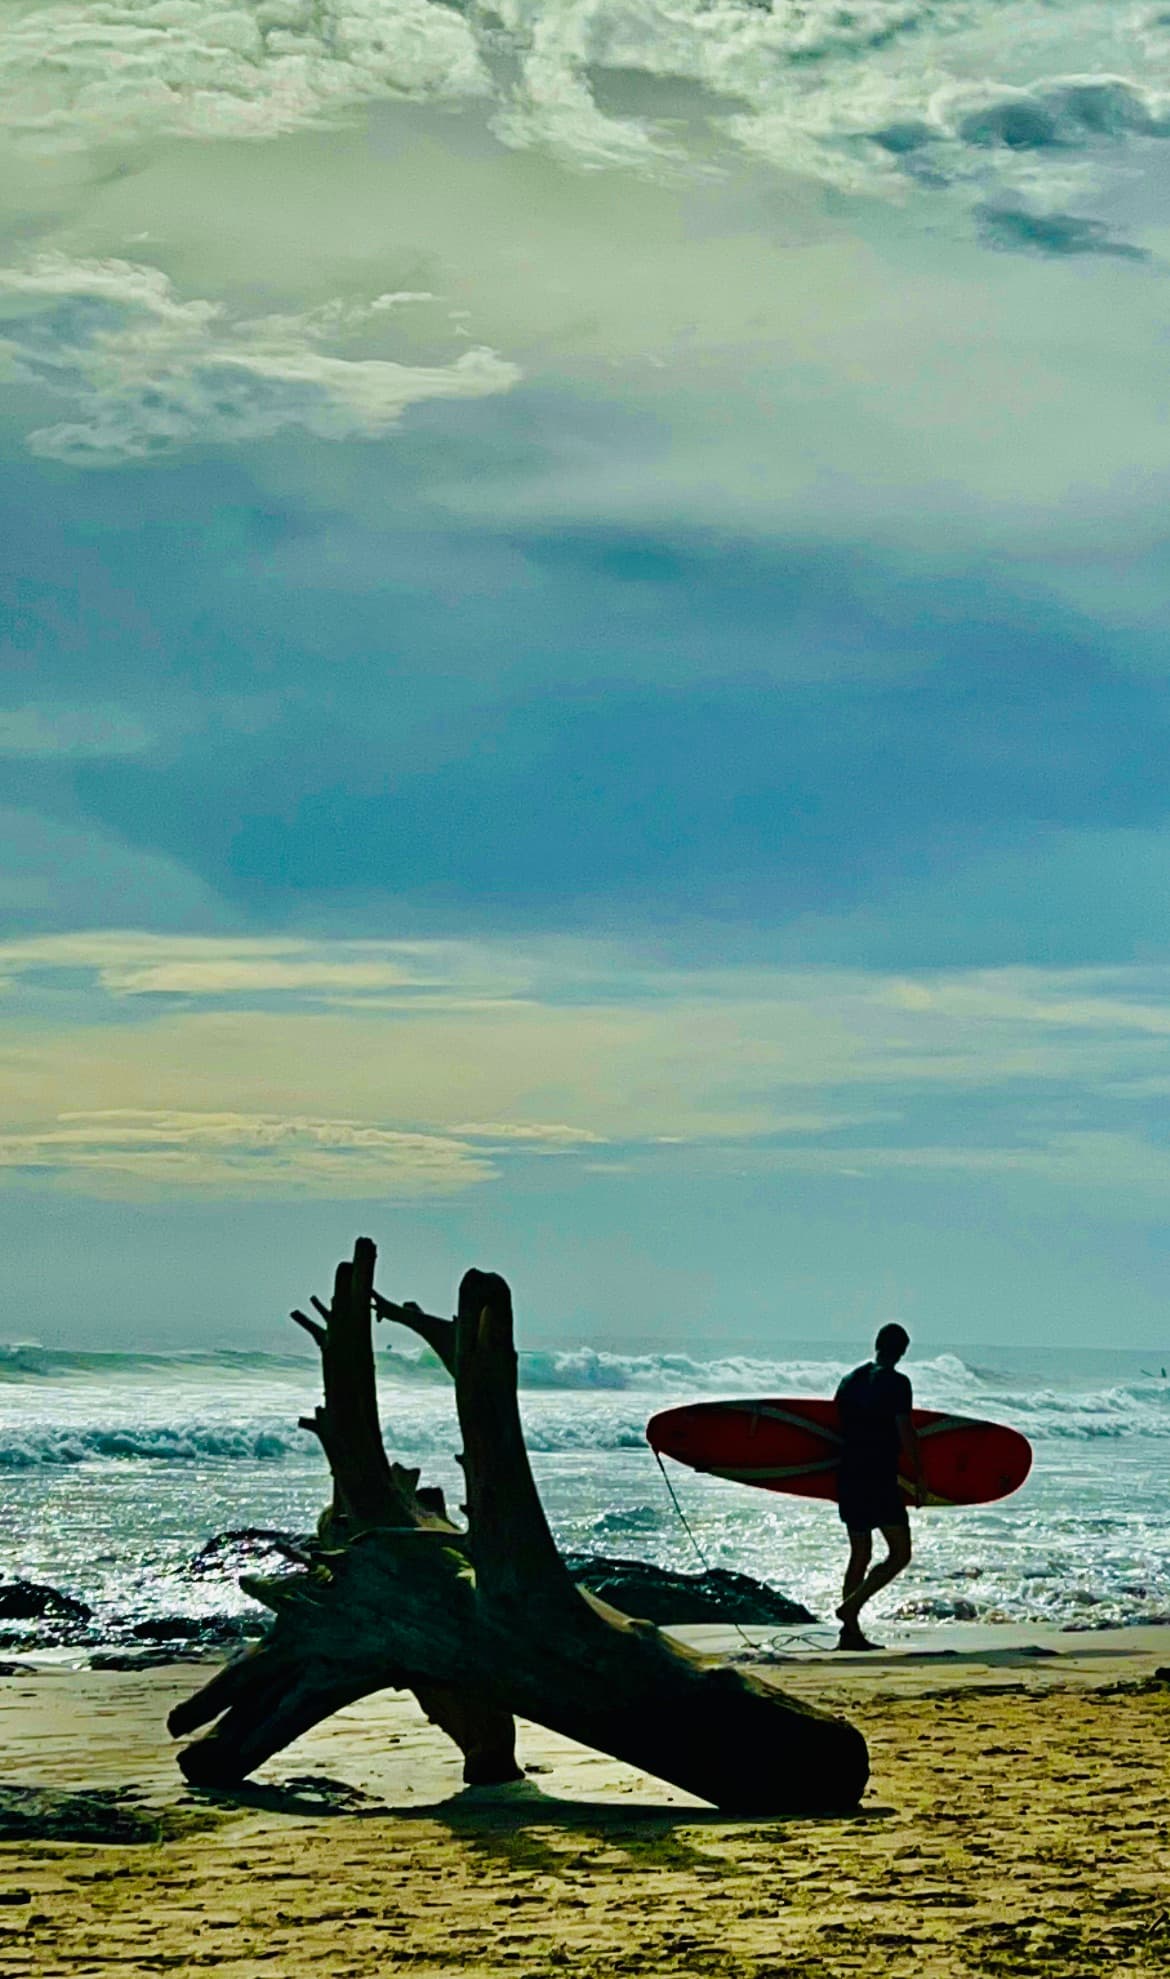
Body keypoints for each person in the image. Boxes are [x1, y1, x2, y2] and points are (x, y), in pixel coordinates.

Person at [833, 1322, 923, 1651]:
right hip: (879, 1477)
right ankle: (851, 1609)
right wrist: (919, 1477)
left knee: (860, 1554)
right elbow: (905, 1431)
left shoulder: (849, 1380)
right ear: (901, 1351)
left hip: (848, 1475)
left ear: (876, 1344)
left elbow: (834, 1427)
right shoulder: (898, 1383)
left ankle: (849, 1634)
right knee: (900, 1553)